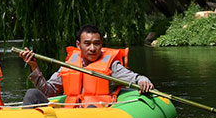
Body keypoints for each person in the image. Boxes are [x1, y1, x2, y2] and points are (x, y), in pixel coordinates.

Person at [18, 24, 153, 107]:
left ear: (101, 44)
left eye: (97, 43)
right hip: (71, 115)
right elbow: (48, 91)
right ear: (78, 45)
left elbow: (135, 78)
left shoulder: (111, 64)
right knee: (31, 94)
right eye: (87, 44)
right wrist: (34, 66)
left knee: (91, 108)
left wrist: (143, 81)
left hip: (96, 113)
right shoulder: (69, 64)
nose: (92, 48)